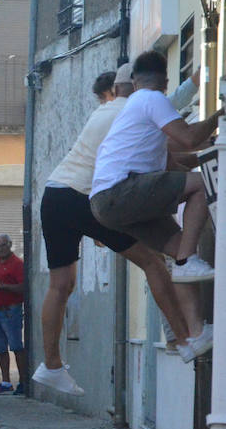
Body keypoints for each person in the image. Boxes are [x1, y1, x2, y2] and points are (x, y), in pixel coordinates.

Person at [35, 64, 200, 395]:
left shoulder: (105, 111)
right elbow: (176, 133)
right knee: (154, 262)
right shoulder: (137, 111)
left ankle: (51, 364)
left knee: (61, 285)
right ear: (139, 88)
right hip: (86, 198)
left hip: (55, 194)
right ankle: (183, 339)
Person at [91, 49, 219, 293]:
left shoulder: (135, 113)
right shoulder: (152, 99)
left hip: (104, 203)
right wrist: (220, 116)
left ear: (135, 81)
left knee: (181, 251)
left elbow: (175, 166)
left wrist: (212, 151)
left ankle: (194, 331)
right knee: (204, 184)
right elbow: (189, 139)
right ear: (166, 81)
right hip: (120, 191)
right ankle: (186, 262)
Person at [0, 233, 29, 395]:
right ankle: (5, 382)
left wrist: (4, 286)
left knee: (17, 347)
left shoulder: (17, 264)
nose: (1, 248)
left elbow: (23, 287)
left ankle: (23, 382)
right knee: (0, 349)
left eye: (3, 245)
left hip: (11, 311)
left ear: (10, 245)